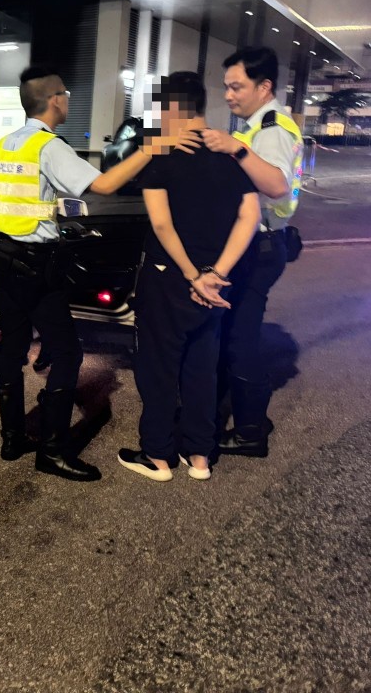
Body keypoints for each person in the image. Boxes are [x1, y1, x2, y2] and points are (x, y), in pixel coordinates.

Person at [0, 65, 193, 481]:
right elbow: (105, 185)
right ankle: (52, 452)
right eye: (66, 93)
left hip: (4, 262)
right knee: (67, 353)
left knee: (13, 349)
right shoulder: (48, 147)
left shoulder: (4, 145)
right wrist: (153, 147)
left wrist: (28, 216)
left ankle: (12, 439)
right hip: (37, 265)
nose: (68, 99)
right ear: (54, 99)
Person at [116, 72, 260, 482]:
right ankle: (199, 455)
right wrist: (216, 274)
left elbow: (162, 224)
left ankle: (158, 455)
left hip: (168, 276)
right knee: (202, 366)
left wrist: (193, 275)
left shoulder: (163, 156)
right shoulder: (228, 152)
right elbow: (249, 217)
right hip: (214, 284)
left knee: (158, 367)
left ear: (172, 108)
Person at [201, 47, 304, 458]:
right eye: (226, 87)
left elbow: (276, 185)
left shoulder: (272, 127)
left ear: (264, 87)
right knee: (234, 333)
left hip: (259, 247)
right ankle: (245, 418)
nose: (228, 95)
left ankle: (249, 432)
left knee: (240, 340)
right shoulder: (257, 125)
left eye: (236, 87)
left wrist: (235, 149)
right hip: (258, 245)